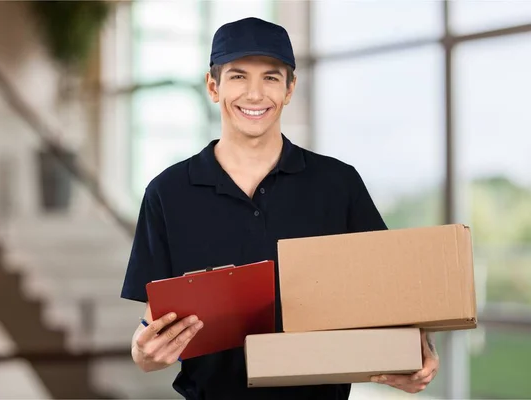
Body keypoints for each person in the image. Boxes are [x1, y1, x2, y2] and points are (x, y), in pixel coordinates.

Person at [121, 17, 439, 400]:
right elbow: (155, 324)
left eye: (271, 78)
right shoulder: (167, 194)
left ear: (290, 89)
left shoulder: (338, 184)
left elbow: (389, 293)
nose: (255, 94)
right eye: (238, 76)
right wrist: (144, 352)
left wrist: (417, 350)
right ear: (213, 87)